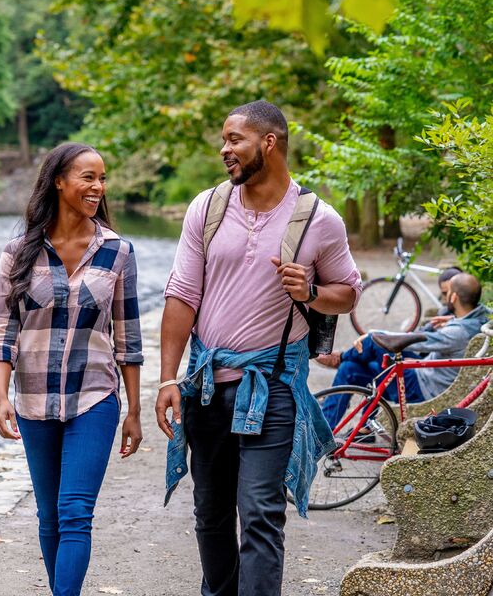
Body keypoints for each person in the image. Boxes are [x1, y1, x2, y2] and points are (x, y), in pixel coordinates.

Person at [154, 100, 362, 596]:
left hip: (273, 389)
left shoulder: (319, 219)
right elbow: (182, 294)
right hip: (206, 385)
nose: (225, 150)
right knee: (210, 514)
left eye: (234, 140)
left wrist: (310, 293)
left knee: (261, 513)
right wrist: (168, 378)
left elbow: (348, 292)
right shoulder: (207, 207)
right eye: (224, 141)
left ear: (268, 142)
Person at [0, 142, 143, 596]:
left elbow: (128, 339)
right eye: (88, 177)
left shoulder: (118, 252)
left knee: (75, 511)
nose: (98, 187)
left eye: (102, 178)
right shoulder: (17, 252)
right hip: (33, 399)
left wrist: (133, 410)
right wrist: (1, 398)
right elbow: (3, 330)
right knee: (49, 515)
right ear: (59, 180)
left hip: (94, 398)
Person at [319, 272, 488, 427]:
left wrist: (373, 334)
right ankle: (324, 431)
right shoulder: (479, 319)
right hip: (425, 376)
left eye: (446, 293)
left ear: (454, 297)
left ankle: (341, 357)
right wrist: (452, 319)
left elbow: (414, 342)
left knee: (375, 342)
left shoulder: (458, 332)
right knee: (350, 369)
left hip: (421, 391)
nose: (444, 298)